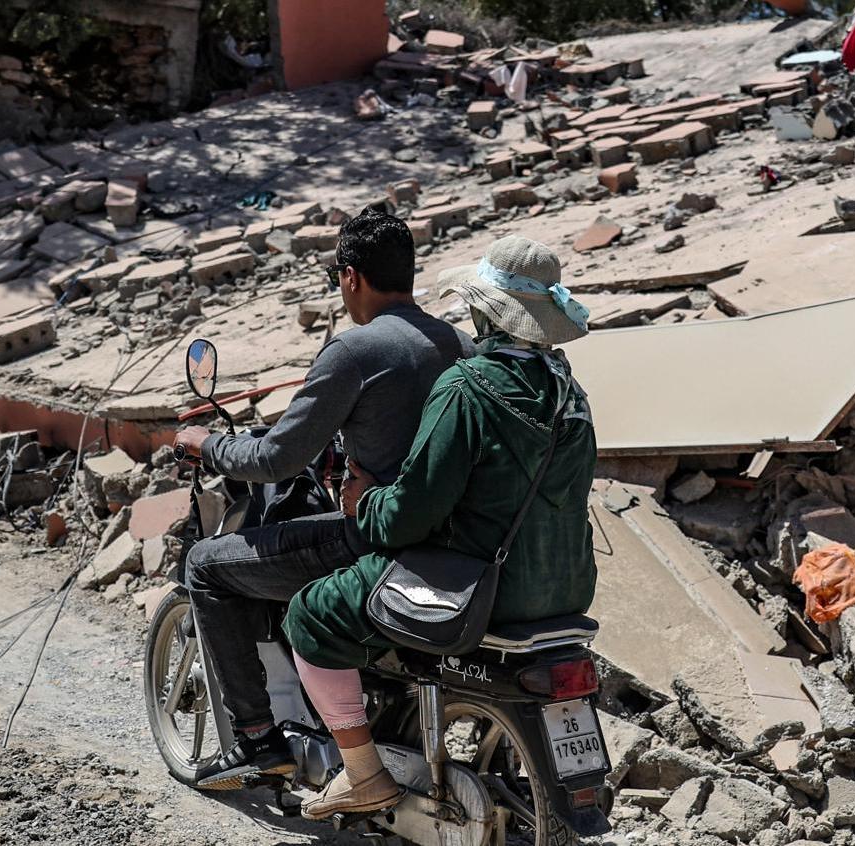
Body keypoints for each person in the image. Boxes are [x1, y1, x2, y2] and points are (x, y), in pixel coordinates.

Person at [280, 235, 599, 818]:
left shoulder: (467, 389)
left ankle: (363, 773)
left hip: (481, 592)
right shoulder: (570, 395)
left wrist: (363, 503)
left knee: (311, 613)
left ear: (485, 312)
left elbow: (409, 515)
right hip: (567, 589)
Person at [175, 210, 473, 789]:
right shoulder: (459, 343)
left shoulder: (353, 351)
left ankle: (259, 741)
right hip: (451, 540)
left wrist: (208, 444)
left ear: (350, 277)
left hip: (373, 538)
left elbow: (276, 458)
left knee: (205, 566)